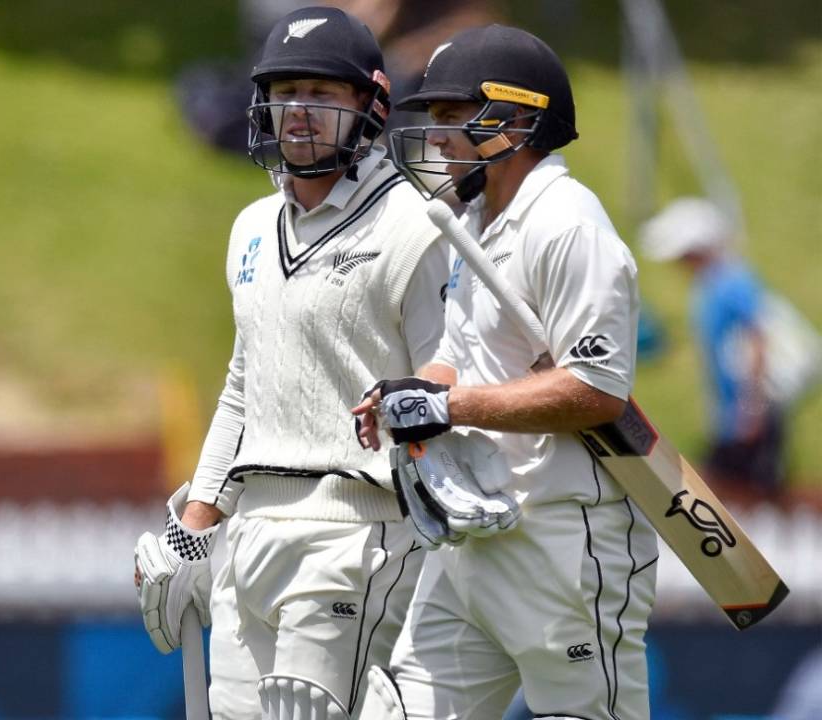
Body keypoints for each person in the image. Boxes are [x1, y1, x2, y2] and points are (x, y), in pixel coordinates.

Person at [134, 6, 452, 717]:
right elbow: (243, 390)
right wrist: (193, 532)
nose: (298, 112)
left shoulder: (414, 226)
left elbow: (448, 387)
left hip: (358, 532)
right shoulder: (251, 228)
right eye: (283, 93)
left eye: (322, 94)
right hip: (251, 540)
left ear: (371, 102)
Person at [352, 24, 659, 719]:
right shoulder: (478, 221)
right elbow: (460, 360)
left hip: (563, 542)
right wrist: (413, 393)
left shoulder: (567, 224)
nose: (436, 138)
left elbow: (597, 390)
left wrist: (451, 410)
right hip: (473, 535)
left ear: (516, 119)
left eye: (451, 116)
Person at [639, 197, 788, 500]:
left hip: (749, 412)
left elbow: (757, 339)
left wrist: (751, 409)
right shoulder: (710, 285)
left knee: (741, 493)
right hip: (732, 414)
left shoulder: (731, 281)